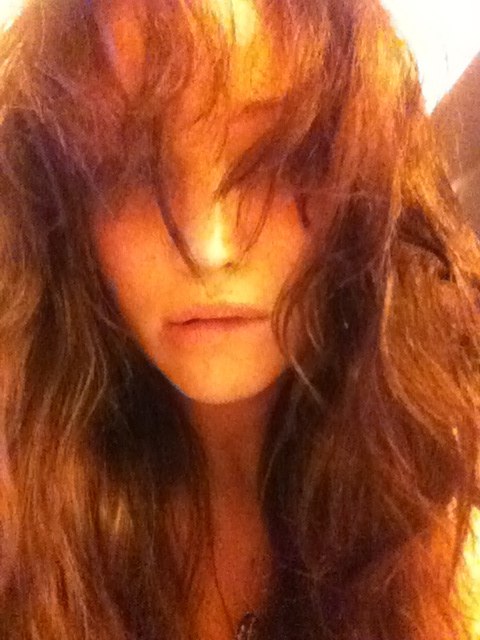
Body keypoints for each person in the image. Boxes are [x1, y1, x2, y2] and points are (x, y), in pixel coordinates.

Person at [0, 0, 479, 638]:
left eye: (282, 160)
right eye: (130, 170)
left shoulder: (452, 515)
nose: (209, 248)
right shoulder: (20, 507)